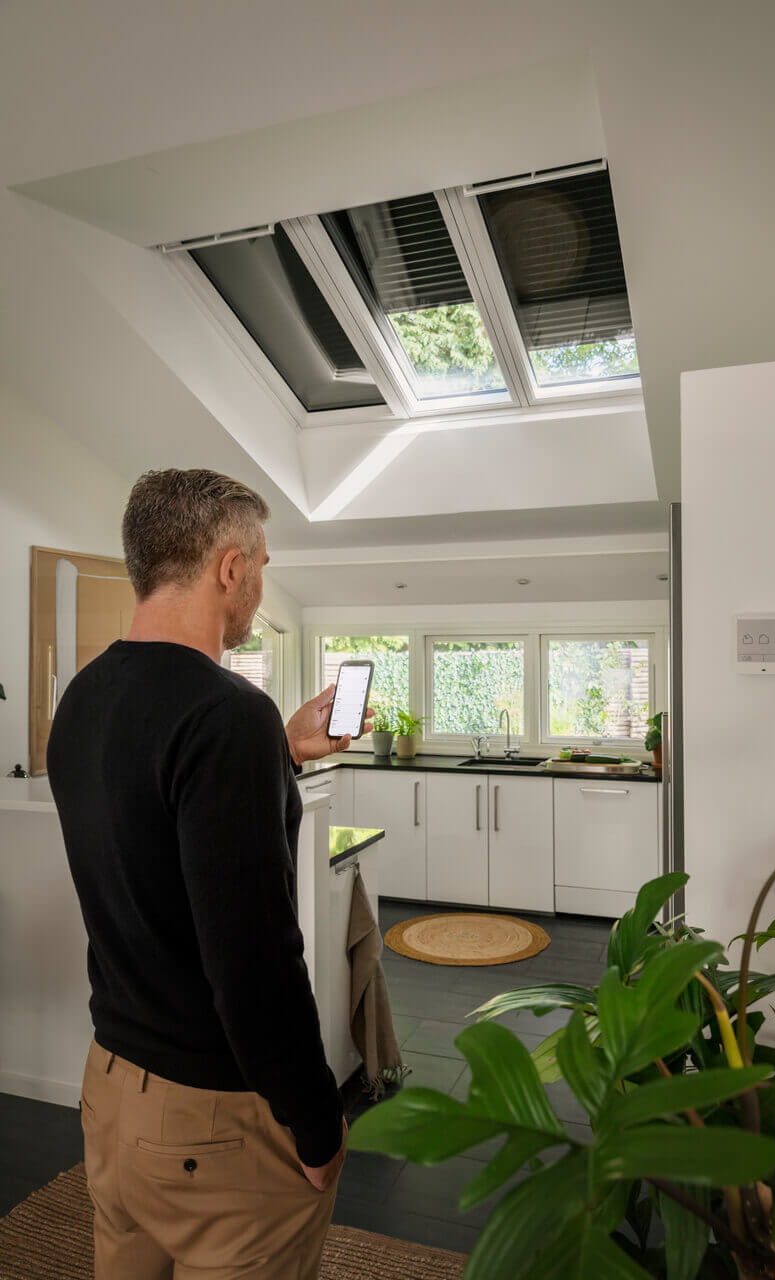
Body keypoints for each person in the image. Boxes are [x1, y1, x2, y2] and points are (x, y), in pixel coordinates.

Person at [47, 468, 367, 1280]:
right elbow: (253, 959)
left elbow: (152, 835)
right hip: (210, 1117)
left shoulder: (84, 698)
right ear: (230, 566)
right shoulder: (225, 712)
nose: (262, 582)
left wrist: (279, 753)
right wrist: (316, 1122)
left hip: (112, 1087)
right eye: (261, 562)